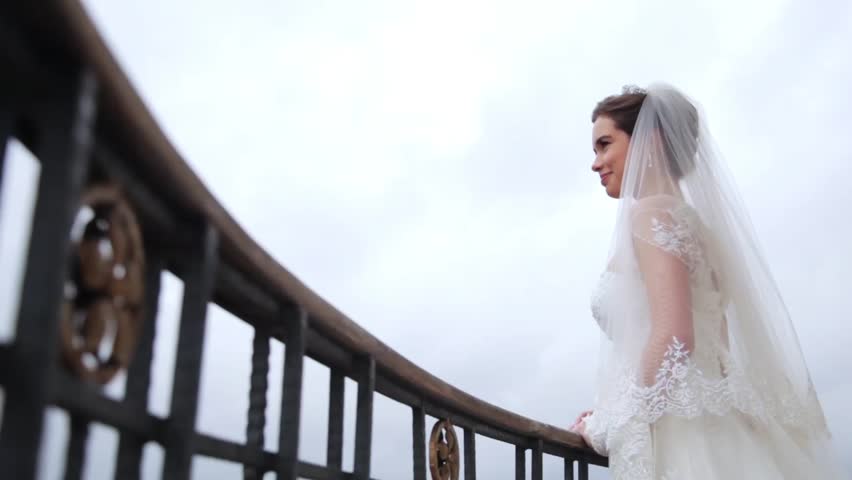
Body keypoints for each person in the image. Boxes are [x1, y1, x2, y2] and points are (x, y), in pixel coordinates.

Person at [568, 84, 847, 479]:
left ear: (651, 138)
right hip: (717, 431)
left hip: (683, 442)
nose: (596, 163)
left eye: (604, 144)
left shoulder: (650, 215)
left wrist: (612, 423)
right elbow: (718, 353)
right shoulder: (701, 230)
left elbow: (676, 336)